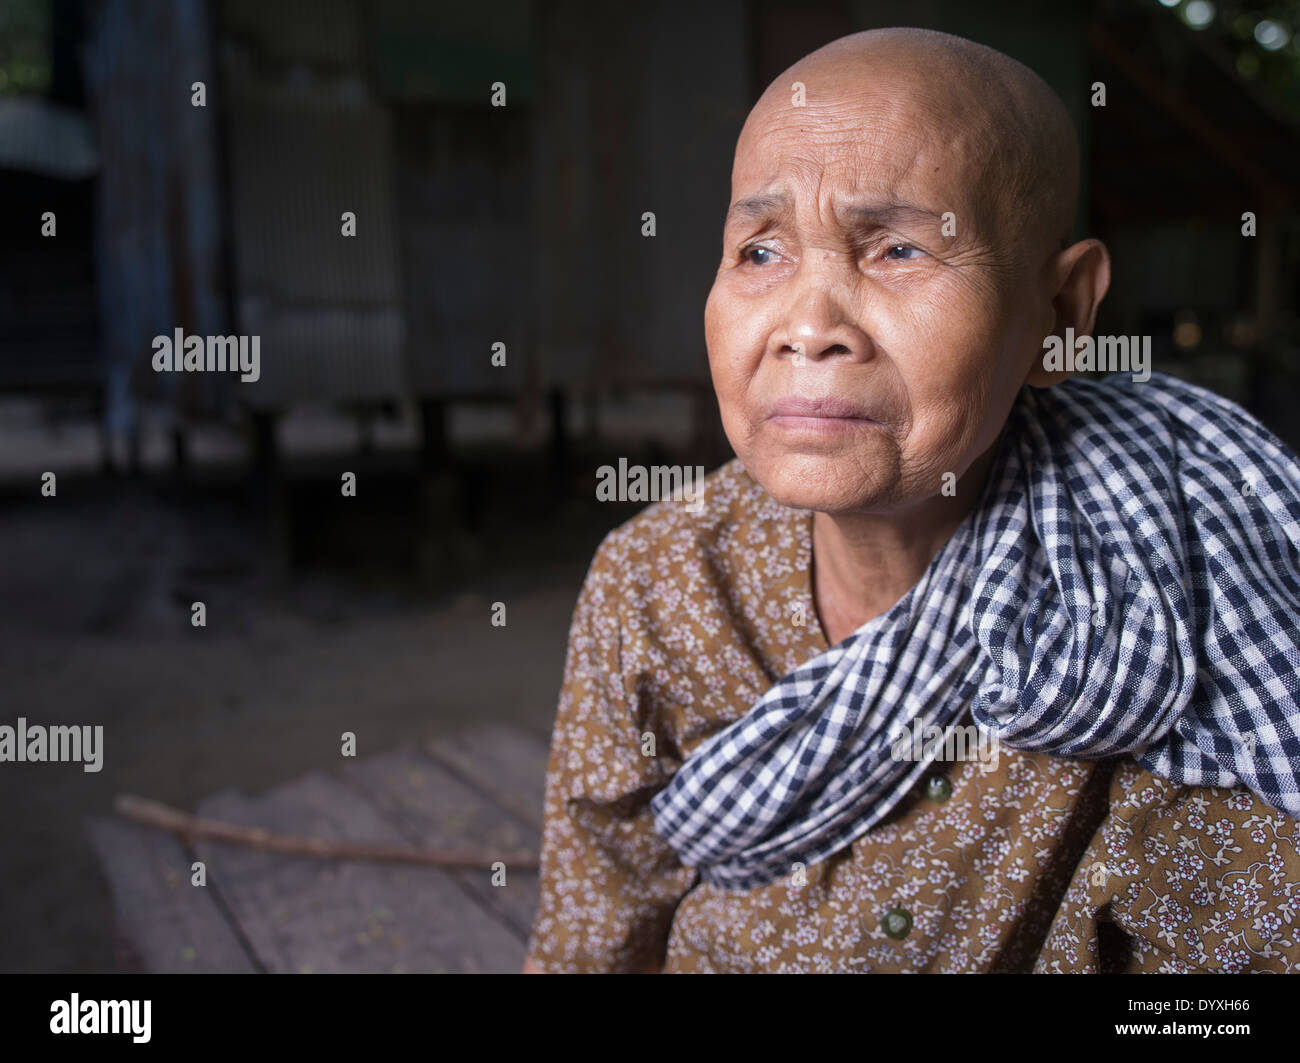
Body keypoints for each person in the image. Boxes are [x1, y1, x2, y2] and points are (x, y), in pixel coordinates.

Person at [522, 27, 1300, 973]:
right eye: (760, 253)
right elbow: (592, 937)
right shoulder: (656, 584)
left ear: (1060, 317)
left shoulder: (1152, 593)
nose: (809, 327)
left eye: (896, 249)